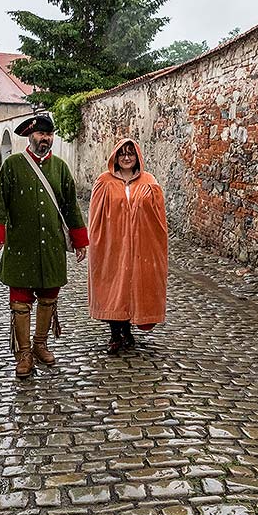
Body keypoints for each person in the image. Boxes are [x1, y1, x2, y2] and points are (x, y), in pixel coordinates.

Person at [0, 111, 88, 377]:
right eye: (42, 134)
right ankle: (23, 353)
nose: (46, 139)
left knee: (48, 297)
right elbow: (0, 201)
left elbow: (70, 206)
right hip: (21, 244)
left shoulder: (61, 168)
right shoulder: (13, 165)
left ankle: (41, 345)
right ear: (30, 136)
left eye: (49, 134)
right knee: (20, 302)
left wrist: (80, 241)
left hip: (52, 245)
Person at [88, 138, 168, 354]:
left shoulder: (149, 181)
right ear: (115, 156)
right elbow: (95, 218)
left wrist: (156, 245)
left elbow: (159, 218)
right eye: (122, 153)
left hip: (141, 245)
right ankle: (116, 333)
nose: (126, 157)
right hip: (111, 245)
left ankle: (128, 330)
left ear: (137, 157)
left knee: (135, 286)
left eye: (130, 153)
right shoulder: (103, 182)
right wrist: (95, 243)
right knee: (112, 287)